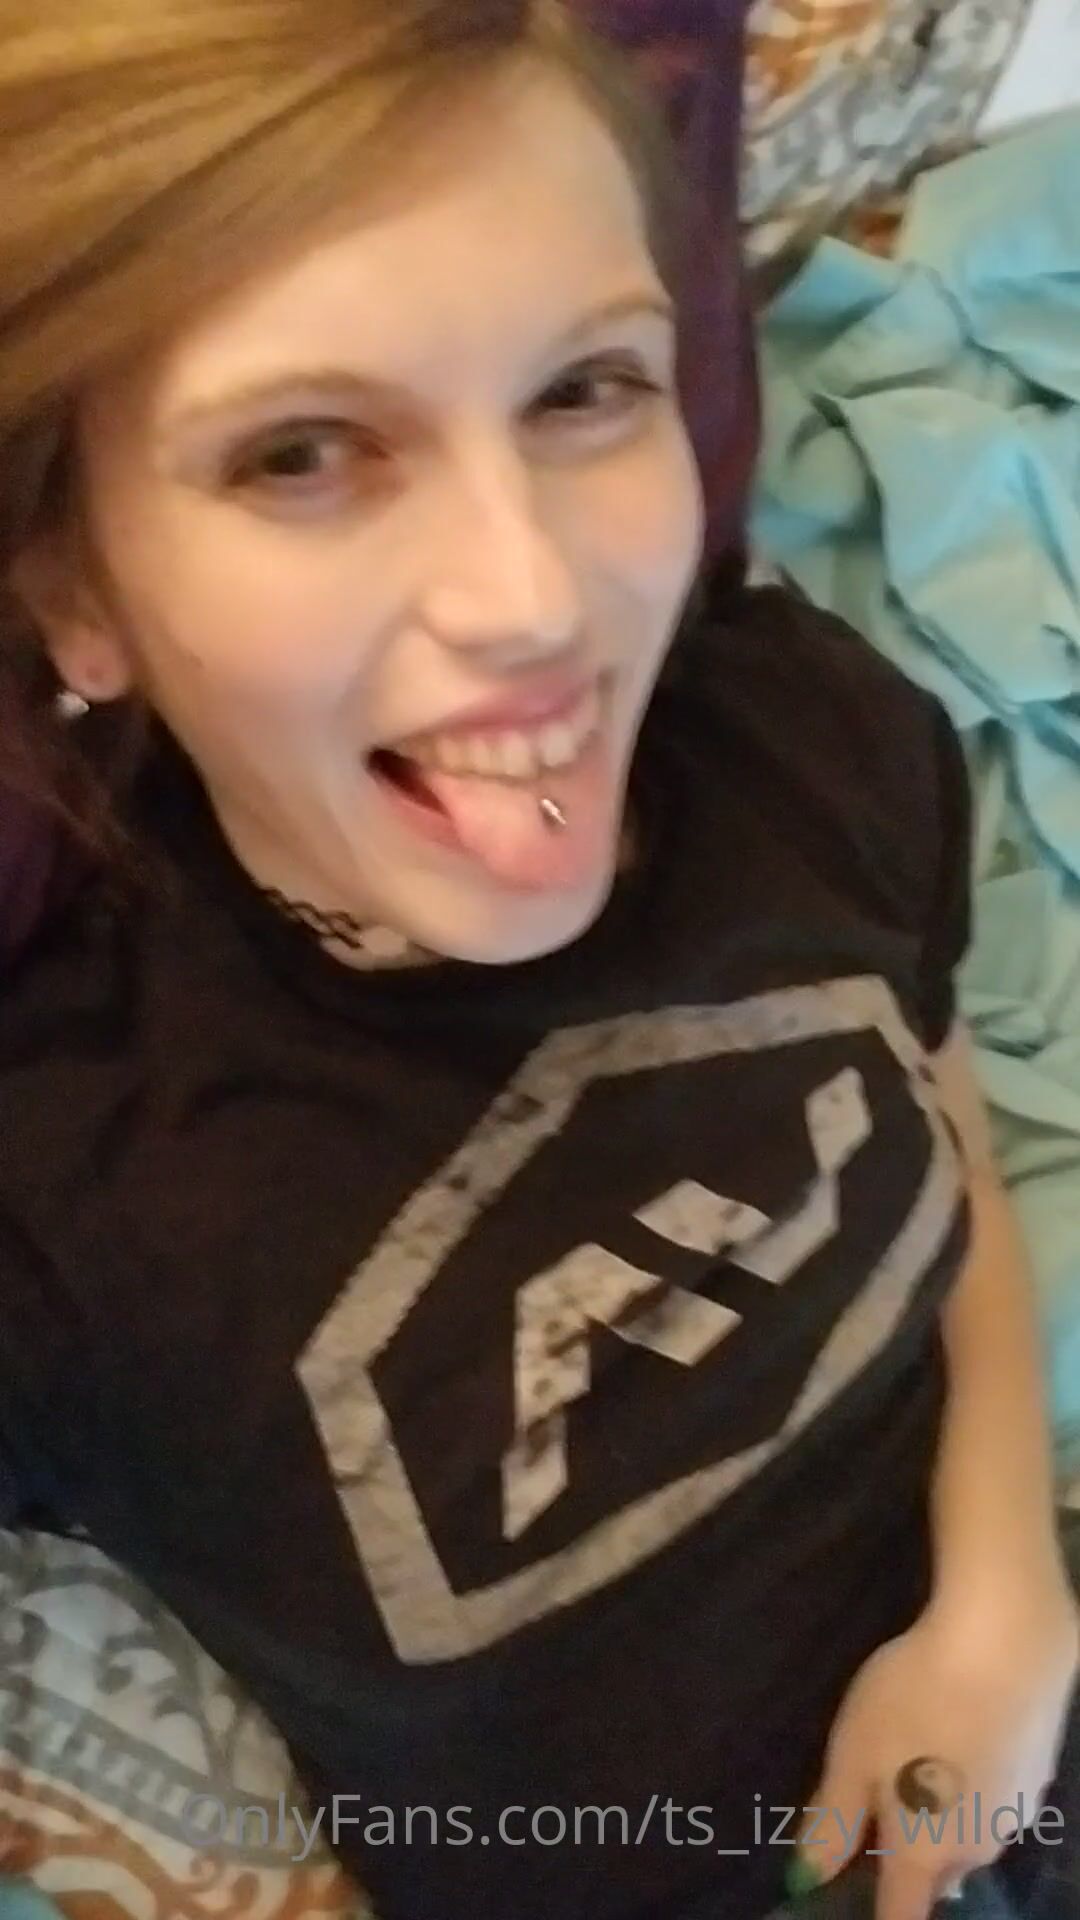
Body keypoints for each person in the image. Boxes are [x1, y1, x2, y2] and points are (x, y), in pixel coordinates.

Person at [0, 4, 1075, 1918]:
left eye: (588, 389)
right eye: (304, 451)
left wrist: (1006, 1609)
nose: (536, 599)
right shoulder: (64, 1175)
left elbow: (932, 1095)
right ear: (75, 584)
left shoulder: (803, 739)